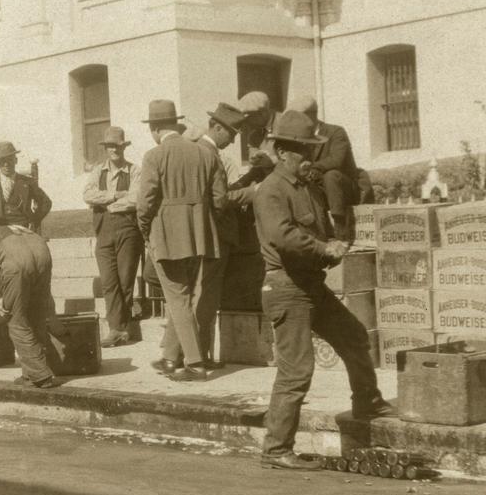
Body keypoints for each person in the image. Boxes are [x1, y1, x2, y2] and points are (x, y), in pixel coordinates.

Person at [253, 111, 396, 471]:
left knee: (353, 335)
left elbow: (312, 236)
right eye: (304, 151)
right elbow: (284, 236)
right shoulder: (272, 189)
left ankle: (367, 400)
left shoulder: (306, 188)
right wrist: (323, 249)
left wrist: (332, 247)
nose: (310, 158)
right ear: (284, 151)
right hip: (286, 287)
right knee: (296, 371)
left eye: (311, 151)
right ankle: (276, 449)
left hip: (309, 284)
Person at [136, 99, 227, 382]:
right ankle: (169, 358)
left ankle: (196, 363)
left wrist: (145, 230)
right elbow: (220, 200)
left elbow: (145, 203)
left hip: (167, 236)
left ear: (153, 128)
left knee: (178, 299)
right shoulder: (205, 153)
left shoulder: (154, 155)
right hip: (200, 236)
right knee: (183, 296)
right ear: (175, 123)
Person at [194, 102, 252, 367]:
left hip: (200, 233)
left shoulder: (196, 150)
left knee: (199, 295)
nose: (233, 140)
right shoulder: (211, 155)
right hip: (216, 235)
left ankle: (191, 353)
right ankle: (201, 355)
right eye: (231, 133)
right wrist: (251, 192)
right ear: (217, 127)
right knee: (208, 296)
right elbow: (220, 201)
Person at [82, 126, 143, 348]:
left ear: (123, 147)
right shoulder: (98, 171)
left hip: (128, 228)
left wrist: (108, 204)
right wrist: (117, 195)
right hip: (104, 230)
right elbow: (87, 195)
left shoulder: (135, 170)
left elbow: (137, 198)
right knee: (109, 281)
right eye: (110, 147)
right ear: (106, 149)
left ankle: (117, 328)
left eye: (117, 146)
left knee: (125, 280)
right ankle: (118, 327)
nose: (114, 150)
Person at [0, 141, 52, 296]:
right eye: (1, 161)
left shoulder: (26, 182)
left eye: (9, 160)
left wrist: (34, 219)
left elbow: (46, 202)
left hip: (20, 226)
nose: (6, 164)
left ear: (16, 160)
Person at [0, 224, 57, 389]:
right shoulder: (15, 226)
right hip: (41, 249)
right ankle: (29, 374)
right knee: (37, 314)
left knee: (16, 320)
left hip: (16, 261)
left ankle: (40, 375)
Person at [288, 95, 359, 244]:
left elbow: (337, 159)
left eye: (299, 117)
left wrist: (314, 167)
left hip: (342, 187)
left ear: (312, 115)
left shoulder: (336, 132)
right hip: (318, 185)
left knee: (331, 175)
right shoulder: (300, 136)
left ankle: (340, 227)